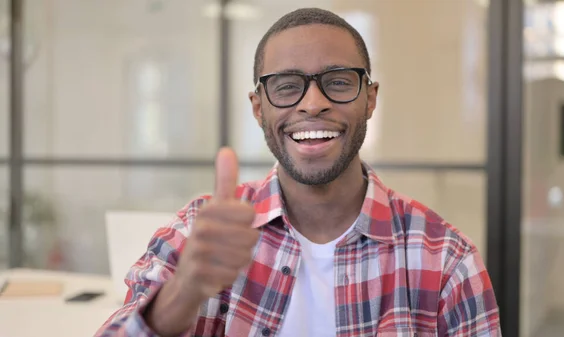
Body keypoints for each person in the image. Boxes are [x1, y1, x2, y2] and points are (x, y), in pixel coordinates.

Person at [95, 7, 501, 337]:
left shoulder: (446, 260)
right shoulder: (200, 233)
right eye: (287, 86)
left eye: (338, 82)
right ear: (258, 108)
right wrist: (182, 293)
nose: (312, 104)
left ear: (370, 99)